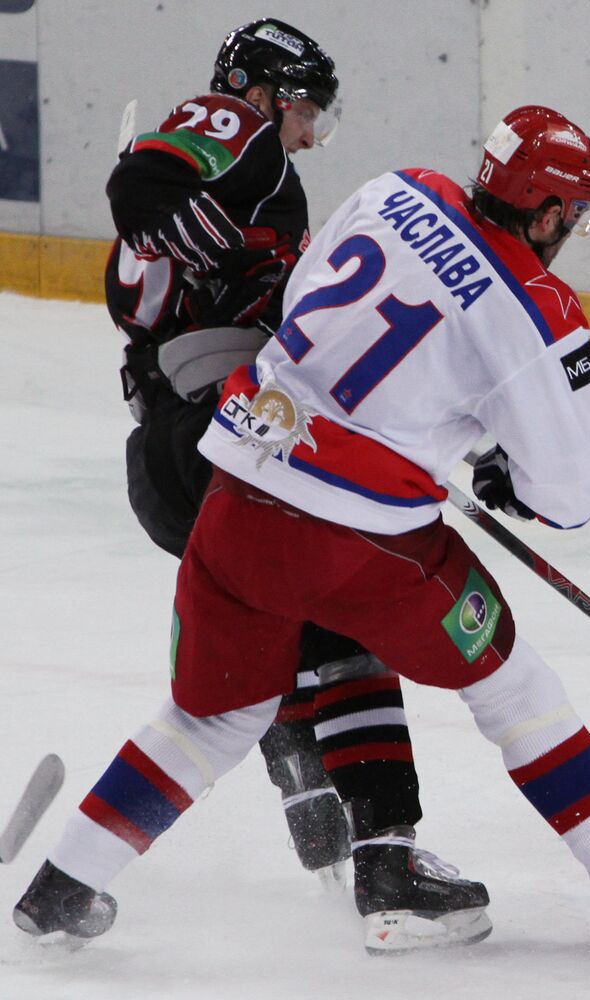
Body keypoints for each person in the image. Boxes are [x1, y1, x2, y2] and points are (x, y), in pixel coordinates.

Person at [14, 103, 590, 958]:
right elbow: (571, 491)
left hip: (237, 491)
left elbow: (304, 309)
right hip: (365, 545)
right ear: (551, 211)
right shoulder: (535, 307)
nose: (571, 232)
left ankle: (63, 886)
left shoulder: (397, 190)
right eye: (574, 216)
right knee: (513, 684)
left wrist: (434, 418)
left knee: (212, 716)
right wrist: (498, 464)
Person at [102, 19, 436, 892]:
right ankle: (386, 862)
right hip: (219, 431)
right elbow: (139, 183)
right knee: (341, 612)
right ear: (260, 89)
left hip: (165, 451)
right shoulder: (236, 126)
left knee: (266, 632)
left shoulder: (241, 172)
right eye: (304, 113)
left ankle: (314, 824)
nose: (305, 137)